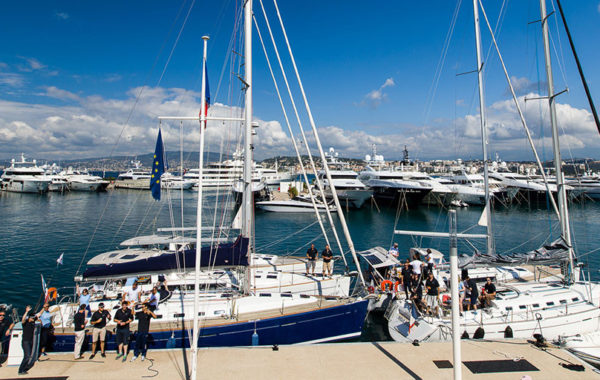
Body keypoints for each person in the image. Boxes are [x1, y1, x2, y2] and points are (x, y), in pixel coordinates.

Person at [18, 307, 37, 375]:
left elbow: (39, 314)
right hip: (25, 342)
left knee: (28, 356)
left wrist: (44, 307)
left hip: (30, 341)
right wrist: (26, 311)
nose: (33, 319)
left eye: (33, 318)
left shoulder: (33, 323)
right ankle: (20, 370)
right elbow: (23, 319)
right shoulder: (25, 323)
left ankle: (24, 367)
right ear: (29, 318)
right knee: (27, 356)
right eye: (32, 318)